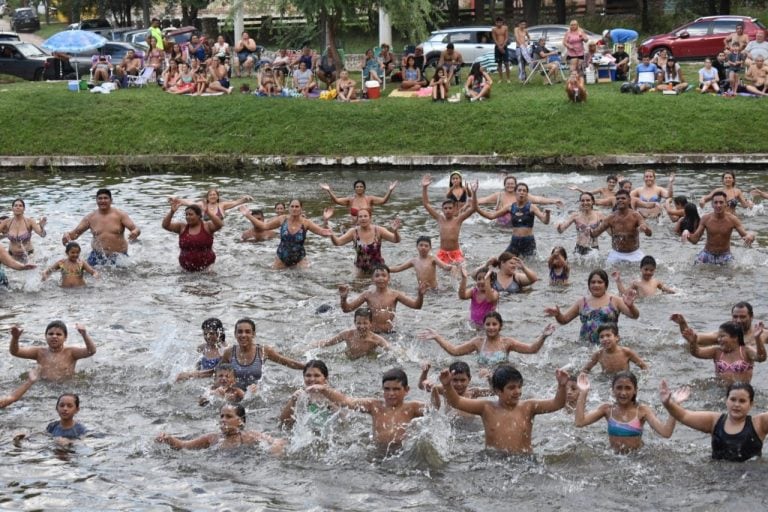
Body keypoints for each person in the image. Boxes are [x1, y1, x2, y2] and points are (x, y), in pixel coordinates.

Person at [439, 364, 569, 454]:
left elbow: (557, 404)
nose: (517, 391)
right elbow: (456, 402)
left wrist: (562, 386)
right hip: (494, 460)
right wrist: (447, 385)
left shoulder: (529, 407)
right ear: (497, 391)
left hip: (524, 459)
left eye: (519, 387)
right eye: (511, 388)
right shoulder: (486, 408)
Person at [306, 368, 426, 452]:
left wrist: (441, 387)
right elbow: (347, 401)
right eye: (387, 389)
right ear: (382, 390)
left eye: (396, 389)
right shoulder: (374, 406)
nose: (391, 393)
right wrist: (324, 390)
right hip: (377, 452)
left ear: (406, 390)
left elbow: (436, 410)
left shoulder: (413, 408)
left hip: (402, 452)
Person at [660, 380, 768, 462]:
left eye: (742, 401)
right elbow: (684, 415)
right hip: (719, 480)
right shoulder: (714, 421)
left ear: (751, 404)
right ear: (726, 401)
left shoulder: (759, 423)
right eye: (733, 399)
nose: (736, 405)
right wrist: (668, 404)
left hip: (751, 479)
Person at [575, 372, 679, 453]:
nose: (623, 393)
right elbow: (580, 422)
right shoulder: (607, 409)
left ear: (635, 390)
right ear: (613, 390)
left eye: (628, 388)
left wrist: (674, 405)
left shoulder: (642, 411)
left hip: (638, 458)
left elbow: (666, 432)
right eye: (619, 388)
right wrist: (583, 392)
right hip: (613, 456)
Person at [419, 312, 555, 370]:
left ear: (500, 326)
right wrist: (437, 337)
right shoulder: (477, 342)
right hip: (482, 378)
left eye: (494, 324)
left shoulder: (507, 343)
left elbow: (532, 349)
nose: (491, 327)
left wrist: (543, 336)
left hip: (501, 378)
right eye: (488, 324)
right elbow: (455, 351)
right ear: (483, 326)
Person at [545, 269, 639, 345]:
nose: (596, 285)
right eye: (593, 282)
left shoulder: (615, 300)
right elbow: (564, 320)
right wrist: (557, 314)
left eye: (600, 282)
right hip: (585, 347)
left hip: (609, 347)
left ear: (605, 285)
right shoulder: (581, 302)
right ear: (589, 285)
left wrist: (631, 306)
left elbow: (634, 316)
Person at [216, 318, 303, 392]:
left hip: (257, 393)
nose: (243, 335)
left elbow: (289, 363)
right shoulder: (229, 352)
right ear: (235, 334)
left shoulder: (263, 351)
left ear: (253, 334)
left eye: (247, 332)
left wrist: (309, 367)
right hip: (236, 393)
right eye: (240, 332)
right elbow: (217, 373)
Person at [239, 200, 333, 269]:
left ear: (301, 209)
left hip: (299, 258)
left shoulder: (306, 223)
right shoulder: (282, 219)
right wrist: (248, 215)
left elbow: (322, 232)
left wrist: (326, 220)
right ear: (288, 208)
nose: (294, 209)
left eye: (297, 207)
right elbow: (264, 226)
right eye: (292, 206)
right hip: (282, 257)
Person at [156, 404, 285, 454]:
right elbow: (184, 445)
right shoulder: (212, 438)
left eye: (229, 416)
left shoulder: (249, 436)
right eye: (222, 416)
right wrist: (169, 439)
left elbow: (277, 441)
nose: (223, 419)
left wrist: (274, 451)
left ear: (240, 421)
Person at [339, 264, 427, 334]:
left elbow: (416, 306)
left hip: (390, 333)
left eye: (384, 275)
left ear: (389, 278)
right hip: (372, 332)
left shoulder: (395, 294)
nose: (381, 278)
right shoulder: (367, 295)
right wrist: (343, 298)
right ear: (372, 279)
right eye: (377, 276)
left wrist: (420, 295)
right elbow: (347, 309)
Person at [62, 188, 140, 266]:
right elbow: (75, 234)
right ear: (96, 200)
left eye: (105, 198)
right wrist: (67, 235)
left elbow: (135, 228)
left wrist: (135, 232)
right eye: (100, 198)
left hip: (119, 257)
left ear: (111, 200)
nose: (102, 201)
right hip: (97, 256)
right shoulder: (90, 218)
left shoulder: (120, 215)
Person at [477, 182, 550, 257]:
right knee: (501, 261)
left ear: (527, 194)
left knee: (529, 264)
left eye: (524, 191)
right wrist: (477, 209)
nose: (522, 192)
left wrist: (547, 214)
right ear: (515, 193)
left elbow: (545, 221)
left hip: (528, 241)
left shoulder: (532, 207)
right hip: (515, 241)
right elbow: (491, 216)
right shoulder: (510, 207)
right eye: (519, 190)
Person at [682, 191, 754, 265]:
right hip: (707, 254)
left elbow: (745, 236)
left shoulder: (733, 219)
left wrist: (751, 235)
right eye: (715, 202)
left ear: (726, 204)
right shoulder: (706, 219)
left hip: (725, 256)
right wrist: (687, 234)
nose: (718, 205)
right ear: (712, 205)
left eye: (721, 202)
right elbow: (695, 240)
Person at [681, 321, 766, 384]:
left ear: (735, 337)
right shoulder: (717, 351)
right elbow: (697, 352)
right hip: (720, 392)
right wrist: (693, 342)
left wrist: (757, 338)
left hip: (742, 393)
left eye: (722, 336)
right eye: (719, 337)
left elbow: (761, 357)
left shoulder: (746, 350)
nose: (719, 339)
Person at [9, 321, 96, 382]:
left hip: (66, 387)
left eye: (58, 334)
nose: (54, 336)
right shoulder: (39, 352)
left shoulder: (71, 352)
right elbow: (15, 352)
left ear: (65, 337)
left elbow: (91, 351)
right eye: (50, 334)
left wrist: (84, 335)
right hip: (45, 387)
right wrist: (15, 338)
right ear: (45, 336)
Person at [421, 174, 477, 264]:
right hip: (442, 253)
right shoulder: (439, 218)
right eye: (445, 208)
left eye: (450, 208)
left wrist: (474, 193)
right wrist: (424, 188)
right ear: (442, 210)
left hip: (456, 253)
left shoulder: (458, 219)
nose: (448, 210)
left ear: (455, 209)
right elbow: (426, 204)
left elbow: (474, 208)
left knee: (460, 271)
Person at [330, 209, 401, 276]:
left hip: (378, 268)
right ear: (357, 219)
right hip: (360, 269)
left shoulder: (379, 230)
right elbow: (338, 243)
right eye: (360, 216)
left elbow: (396, 240)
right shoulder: (353, 232)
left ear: (370, 218)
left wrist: (395, 231)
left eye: (365, 216)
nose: (363, 218)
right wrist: (331, 234)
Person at [589, 190, 652, 265]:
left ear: (629, 200)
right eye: (618, 199)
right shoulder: (611, 218)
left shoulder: (636, 216)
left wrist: (645, 229)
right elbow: (595, 234)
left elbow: (649, 234)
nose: (620, 200)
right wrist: (588, 228)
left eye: (623, 198)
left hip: (634, 254)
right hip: (616, 254)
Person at [670, 302, 768, 348]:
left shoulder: (763, 334)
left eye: (742, 317)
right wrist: (682, 323)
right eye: (735, 317)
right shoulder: (723, 335)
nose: (738, 320)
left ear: (751, 317)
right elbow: (694, 338)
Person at [477, 175, 563, 227]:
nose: (510, 186)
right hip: (500, 227)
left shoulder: (521, 195)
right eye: (508, 184)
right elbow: (484, 200)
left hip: (516, 225)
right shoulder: (499, 195)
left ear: (516, 185)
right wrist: (471, 202)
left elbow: (538, 199)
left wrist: (554, 201)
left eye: (512, 184)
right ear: (504, 185)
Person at [162, 200, 223, 272]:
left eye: (190, 214)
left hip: (207, 269)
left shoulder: (207, 226)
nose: (188, 217)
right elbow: (165, 225)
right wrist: (172, 212)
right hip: (185, 270)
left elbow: (219, 224)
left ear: (199, 216)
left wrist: (208, 212)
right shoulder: (182, 227)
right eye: (186, 215)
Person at [279, 360, 339, 430]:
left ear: (325, 378)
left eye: (317, 375)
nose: (312, 379)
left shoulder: (332, 396)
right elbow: (283, 423)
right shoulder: (299, 396)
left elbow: (344, 420)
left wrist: (328, 402)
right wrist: (293, 401)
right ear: (304, 377)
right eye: (308, 375)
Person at [309, 307, 390, 359]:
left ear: (370, 323)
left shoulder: (376, 340)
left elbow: (391, 349)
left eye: (365, 323)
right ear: (354, 322)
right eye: (359, 323)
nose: (361, 326)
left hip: (366, 362)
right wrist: (309, 347)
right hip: (348, 359)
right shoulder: (348, 334)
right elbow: (328, 342)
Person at [419, 361, 492, 412]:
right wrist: (425, 372)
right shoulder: (445, 389)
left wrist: (490, 379)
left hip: (470, 427)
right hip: (450, 427)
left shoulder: (473, 392)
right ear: (449, 379)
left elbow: (495, 391)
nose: (459, 384)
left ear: (469, 379)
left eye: (463, 380)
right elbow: (422, 387)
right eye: (455, 380)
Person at [389, 235, 454, 290]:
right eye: (421, 245)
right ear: (417, 247)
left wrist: (452, 267)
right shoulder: (413, 261)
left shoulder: (433, 259)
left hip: (434, 290)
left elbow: (444, 266)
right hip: (422, 289)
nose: (423, 247)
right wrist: (385, 268)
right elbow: (398, 268)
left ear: (430, 248)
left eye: (426, 246)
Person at [581, 323, 648, 374]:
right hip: (606, 381)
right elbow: (586, 370)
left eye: (608, 335)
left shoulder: (626, 352)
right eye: (601, 337)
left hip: (623, 380)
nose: (604, 339)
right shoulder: (598, 354)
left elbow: (644, 367)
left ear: (617, 337)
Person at [320, 180, 397, 221]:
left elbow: (383, 201)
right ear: (354, 189)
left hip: (368, 225)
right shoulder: (350, 200)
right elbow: (336, 200)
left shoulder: (370, 199)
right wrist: (329, 191)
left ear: (364, 188)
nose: (359, 188)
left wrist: (390, 190)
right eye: (357, 187)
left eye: (361, 186)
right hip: (354, 226)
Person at [557, 191, 604, 255]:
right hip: (579, 248)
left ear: (592, 202)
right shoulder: (575, 216)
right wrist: (558, 226)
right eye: (582, 201)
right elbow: (561, 230)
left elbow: (610, 231)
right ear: (580, 202)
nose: (585, 203)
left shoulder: (599, 215)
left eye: (588, 200)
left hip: (594, 248)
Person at [491, 16, 511, 83]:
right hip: (497, 46)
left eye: (500, 22)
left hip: (504, 46)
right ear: (495, 23)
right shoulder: (494, 29)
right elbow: (494, 39)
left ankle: (508, 78)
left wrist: (503, 46)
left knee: (506, 63)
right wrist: (499, 46)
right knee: (499, 63)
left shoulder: (505, 28)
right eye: (497, 22)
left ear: (502, 22)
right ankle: (500, 79)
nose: (499, 24)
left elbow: (506, 37)